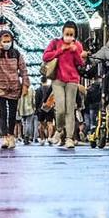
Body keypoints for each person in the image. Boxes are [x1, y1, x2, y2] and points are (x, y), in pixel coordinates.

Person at [42, 22, 89, 150]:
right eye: (66, 34)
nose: (68, 37)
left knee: (70, 109)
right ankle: (59, 129)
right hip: (58, 79)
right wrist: (60, 50)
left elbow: (81, 63)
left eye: (71, 34)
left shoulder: (77, 45)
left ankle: (69, 138)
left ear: (75, 35)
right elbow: (45, 56)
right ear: (62, 33)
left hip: (72, 80)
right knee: (60, 108)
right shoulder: (55, 43)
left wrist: (75, 52)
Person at [0, 32, 28, 149]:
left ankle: (11, 136)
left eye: (8, 41)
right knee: (3, 113)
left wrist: (25, 85)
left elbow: (23, 70)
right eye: (3, 41)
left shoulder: (16, 53)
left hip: (14, 87)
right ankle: (4, 137)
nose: (6, 43)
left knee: (12, 114)